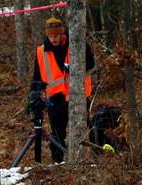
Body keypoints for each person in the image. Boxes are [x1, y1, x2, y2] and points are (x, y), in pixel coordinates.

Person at [31, 17, 95, 163]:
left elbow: (91, 62)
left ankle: (96, 160)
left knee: (87, 131)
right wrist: (33, 93)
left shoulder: (77, 44)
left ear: (62, 34)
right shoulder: (41, 52)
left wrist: (76, 68)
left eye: (56, 35)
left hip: (78, 96)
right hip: (55, 99)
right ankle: (57, 165)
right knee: (57, 136)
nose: (53, 39)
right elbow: (37, 76)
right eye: (50, 36)